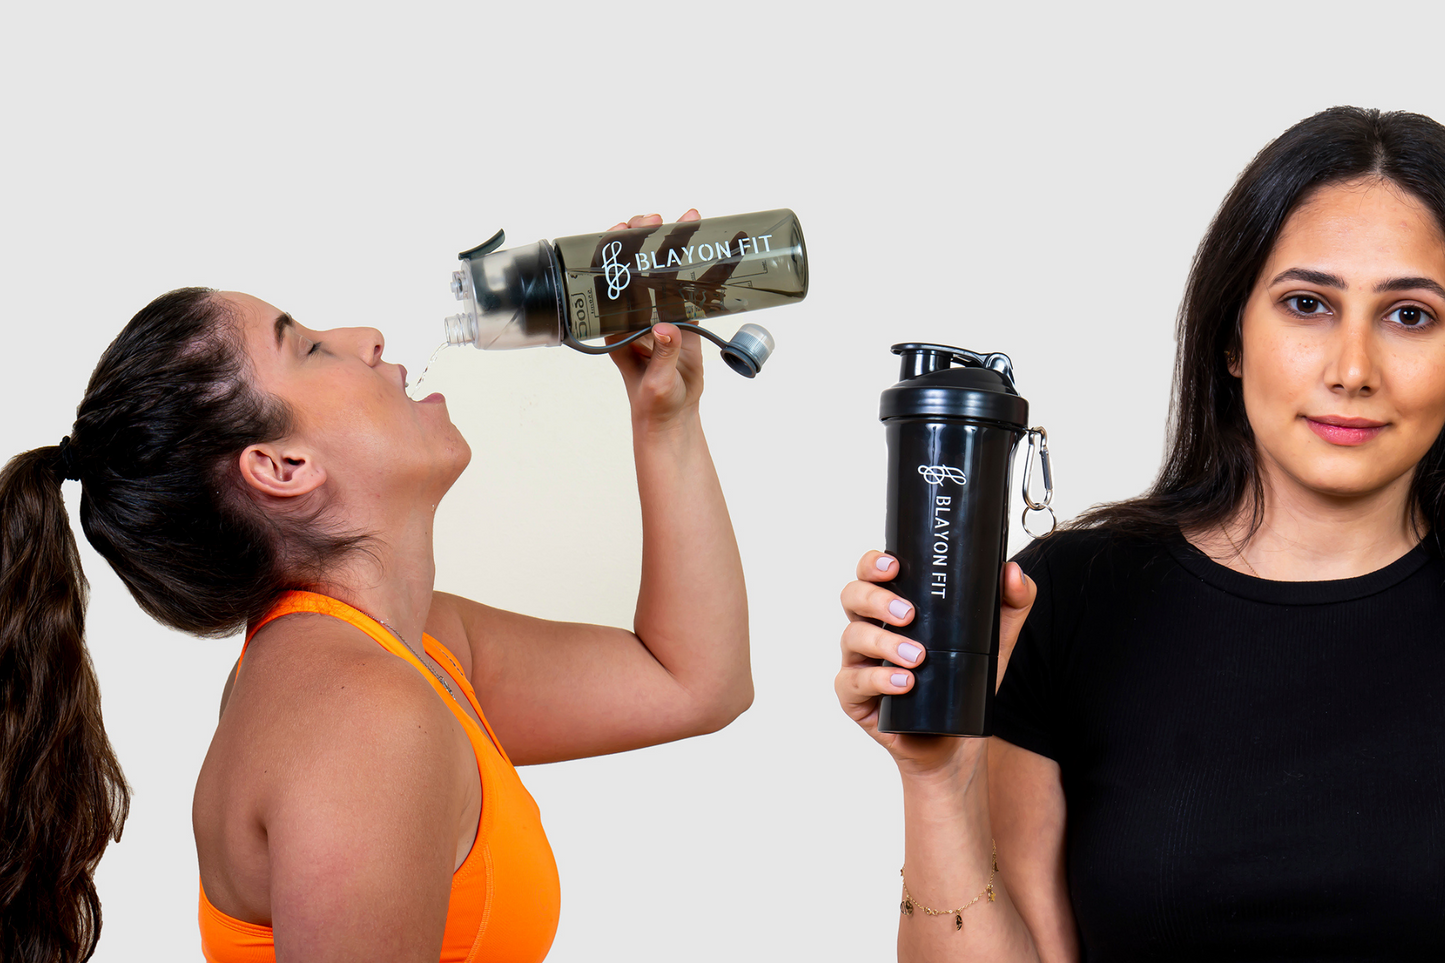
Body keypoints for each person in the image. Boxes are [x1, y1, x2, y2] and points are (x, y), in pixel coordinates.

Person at [0, 210, 752, 963]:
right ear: (283, 467)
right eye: (311, 347)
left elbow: (691, 680)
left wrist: (667, 418)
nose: (368, 338)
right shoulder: (358, 717)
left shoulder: (414, 652)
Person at [836, 106, 1445, 961]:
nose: (1351, 369)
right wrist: (936, 778)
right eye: (1306, 304)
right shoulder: (1072, 598)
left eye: (1410, 315)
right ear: (1231, 337)